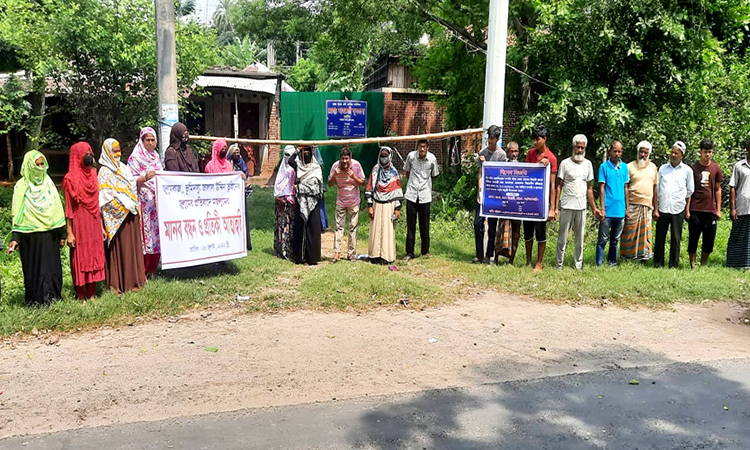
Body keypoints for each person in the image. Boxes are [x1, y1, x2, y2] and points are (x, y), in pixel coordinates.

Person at [7, 151, 66, 305]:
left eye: (42, 164)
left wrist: (62, 234)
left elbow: (56, 209)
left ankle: (53, 297)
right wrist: (15, 238)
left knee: (51, 267)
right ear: (29, 166)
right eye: (37, 165)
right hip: (29, 235)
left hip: (49, 234)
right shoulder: (21, 187)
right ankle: (35, 301)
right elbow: (18, 213)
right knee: (33, 269)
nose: (40, 168)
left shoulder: (49, 183)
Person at [99, 138, 147, 294]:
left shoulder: (124, 168)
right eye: (114, 151)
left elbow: (132, 187)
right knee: (122, 250)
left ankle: (135, 281)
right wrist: (123, 207)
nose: (118, 153)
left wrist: (133, 204)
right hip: (118, 218)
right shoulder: (104, 172)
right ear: (107, 152)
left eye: (119, 150)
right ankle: (120, 284)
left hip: (130, 213)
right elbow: (105, 198)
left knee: (132, 249)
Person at [63, 142, 106, 301]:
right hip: (79, 223)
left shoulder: (94, 174)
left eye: (90, 151)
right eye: (86, 152)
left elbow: (97, 202)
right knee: (81, 257)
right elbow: (68, 208)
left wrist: (101, 227)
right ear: (77, 156)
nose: (89, 155)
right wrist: (69, 232)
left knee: (94, 254)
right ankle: (81, 294)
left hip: (94, 221)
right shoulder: (70, 179)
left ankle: (92, 293)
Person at [554, 134, 598, 270]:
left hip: (581, 206)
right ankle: (559, 264)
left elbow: (589, 188)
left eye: (582, 148)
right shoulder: (565, 163)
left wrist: (594, 208)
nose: (580, 150)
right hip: (567, 204)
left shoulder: (588, 164)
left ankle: (578, 264)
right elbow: (559, 186)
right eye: (578, 147)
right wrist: (555, 207)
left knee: (580, 238)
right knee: (563, 237)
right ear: (573, 147)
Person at [128, 127, 162, 276]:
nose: (150, 143)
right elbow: (130, 179)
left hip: (156, 203)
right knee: (144, 235)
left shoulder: (156, 157)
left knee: (156, 235)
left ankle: (153, 268)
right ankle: (142, 269)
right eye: (147, 140)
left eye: (152, 140)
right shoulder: (135, 158)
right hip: (142, 203)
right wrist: (145, 178)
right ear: (141, 141)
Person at [654, 141, 694, 268]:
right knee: (660, 237)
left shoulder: (687, 170)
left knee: (676, 238)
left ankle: (673, 264)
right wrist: (656, 208)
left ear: (681, 155)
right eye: (672, 152)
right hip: (663, 208)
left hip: (678, 209)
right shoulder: (662, 169)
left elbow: (689, 191)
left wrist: (687, 210)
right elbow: (657, 188)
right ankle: (658, 263)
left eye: (676, 153)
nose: (673, 155)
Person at [524, 125, 558, 272]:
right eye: (534, 139)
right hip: (528, 199)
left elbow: (553, 185)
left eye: (538, 139)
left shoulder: (551, 158)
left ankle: (539, 262)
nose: (535, 142)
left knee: (540, 232)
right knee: (527, 231)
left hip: (541, 202)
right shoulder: (530, 154)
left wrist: (552, 208)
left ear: (544, 139)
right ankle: (528, 260)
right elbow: (525, 174)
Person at [472, 124, 507, 264]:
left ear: (497, 139)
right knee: (477, 223)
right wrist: (480, 191)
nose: (490, 141)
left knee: (492, 225)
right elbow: (480, 174)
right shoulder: (483, 153)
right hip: (484, 193)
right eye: (489, 138)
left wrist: (487, 164)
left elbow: (501, 174)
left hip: (495, 194)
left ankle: (488, 255)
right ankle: (479, 254)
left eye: (492, 139)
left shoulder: (501, 155)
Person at [688, 139, 724, 268]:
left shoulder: (716, 168)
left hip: (710, 210)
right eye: (705, 152)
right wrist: (687, 210)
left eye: (710, 152)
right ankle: (692, 264)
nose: (707, 154)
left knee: (709, 239)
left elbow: (718, 189)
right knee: (693, 237)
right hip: (695, 208)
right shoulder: (693, 168)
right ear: (700, 152)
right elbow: (689, 191)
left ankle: (703, 264)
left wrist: (718, 209)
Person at [621, 141, 658, 262]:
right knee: (629, 232)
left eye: (645, 152)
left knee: (645, 234)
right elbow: (624, 187)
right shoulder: (628, 166)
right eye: (641, 152)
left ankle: (644, 258)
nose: (643, 154)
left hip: (647, 206)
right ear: (637, 152)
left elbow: (655, 188)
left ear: (649, 154)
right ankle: (627, 257)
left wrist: (656, 208)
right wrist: (625, 207)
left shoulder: (653, 167)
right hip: (631, 204)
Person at [403, 139, 440, 261]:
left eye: (424, 147)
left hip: (425, 195)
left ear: (428, 148)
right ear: (417, 147)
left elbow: (434, 175)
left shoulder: (432, 159)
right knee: (410, 225)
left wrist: (426, 186)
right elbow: (407, 172)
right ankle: (409, 252)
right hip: (412, 194)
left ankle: (425, 251)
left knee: (424, 225)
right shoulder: (411, 157)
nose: (422, 149)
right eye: (420, 147)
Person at [366, 146, 403, 264]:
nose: (383, 158)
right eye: (382, 156)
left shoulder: (394, 172)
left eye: (385, 156)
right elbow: (370, 187)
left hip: (389, 204)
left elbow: (397, 191)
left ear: (390, 156)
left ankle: (386, 256)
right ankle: (374, 255)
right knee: (375, 230)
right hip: (376, 203)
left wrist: (397, 209)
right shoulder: (375, 170)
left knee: (387, 230)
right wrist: (370, 205)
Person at [327, 146, 365, 262]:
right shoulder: (335, 166)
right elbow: (330, 184)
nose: (344, 161)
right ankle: (337, 253)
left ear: (350, 158)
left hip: (354, 201)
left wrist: (353, 176)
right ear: (340, 158)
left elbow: (363, 182)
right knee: (339, 227)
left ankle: (351, 253)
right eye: (342, 158)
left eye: (346, 159)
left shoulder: (356, 165)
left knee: (353, 227)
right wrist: (334, 174)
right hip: (341, 201)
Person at [596, 140, 630, 266]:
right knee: (602, 239)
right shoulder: (604, 167)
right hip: (608, 209)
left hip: (620, 210)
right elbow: (602, 188)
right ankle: (599, 262)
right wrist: (602, 208)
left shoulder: (624, 167)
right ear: (610, 151)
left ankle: (612, 262)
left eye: (619, 151)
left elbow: (626, 187)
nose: (617, 153)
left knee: (615, 239)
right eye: (615, 151)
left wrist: (627, 208)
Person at [289, 145, 324, 265]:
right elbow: (290, 160)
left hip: (313, 203)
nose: (307, 153)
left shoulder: (316, 168)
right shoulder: (299, 166)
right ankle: (300, 257)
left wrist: (299, 187)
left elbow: (316, 187)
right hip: (301, 202)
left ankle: (312, 258)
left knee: (312, 230)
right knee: (300, 229)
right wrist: (297, 150)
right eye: (305, 152)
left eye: (309, 151)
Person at [494, 141, 522, 264]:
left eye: (516, 151)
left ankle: (511, 259)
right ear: (507, 152)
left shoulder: (523, 168)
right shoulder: (502, 167)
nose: (514, 154)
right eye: (512, 151)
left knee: (516, 231)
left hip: (517, 205)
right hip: (504, 204)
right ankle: (496, 256)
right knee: (502, 231)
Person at [727, 140, 750, 269]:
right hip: (742, 207)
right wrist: (733, 208)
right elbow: (733, 187)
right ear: (747, 149)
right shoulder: (739, 166)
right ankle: (735, 262)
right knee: (738, 236)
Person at [229, 143, 254, 251]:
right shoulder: (227, 163)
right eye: (234, 153)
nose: (237, 154)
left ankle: (245, 242)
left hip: (241, 193)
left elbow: (246, 174)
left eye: (238, 152)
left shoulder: (241, 162)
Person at [274, 146, 296, 260]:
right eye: (286, 154)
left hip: (291, 200)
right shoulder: (282, 168)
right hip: (281, 200)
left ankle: (289, 250)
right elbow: (278, 184)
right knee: (280, 225)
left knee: (290, 225)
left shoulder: (295, 167)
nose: (287, 157)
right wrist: (279, 197)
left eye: (290, 155)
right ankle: (280, 249)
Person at [314, 147, 329, 232]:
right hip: (317, 185)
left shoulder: (316, 163)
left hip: (318, 185)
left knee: (320, 205)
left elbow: (320, 165)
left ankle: (322, 225)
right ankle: (322, 225)